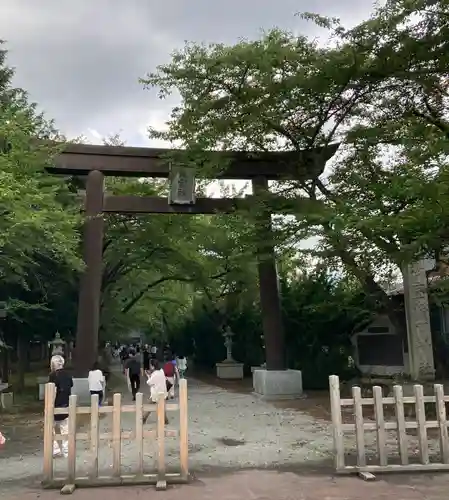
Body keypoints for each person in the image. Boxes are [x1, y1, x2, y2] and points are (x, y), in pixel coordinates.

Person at [48, 355, 73, 458]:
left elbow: (52, 390)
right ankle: (67, 450)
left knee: (52, 428)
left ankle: (56, 449)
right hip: (67, 403)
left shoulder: (53, 375)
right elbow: (70, 386)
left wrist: (50, 404)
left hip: (56, 403)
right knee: (65, 427)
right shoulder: (68, 374)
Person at [142, 358, 169, 424]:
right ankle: (165, 420)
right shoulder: (161, 371)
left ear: (153, 366)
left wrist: (148, 376)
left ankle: (143, 418)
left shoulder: (155, 374)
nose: (150, 367)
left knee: (150, 406)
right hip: (162, 392)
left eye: (150, 365)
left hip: (156, 393)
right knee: (161, 406)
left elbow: (149, 382)